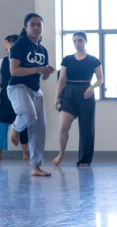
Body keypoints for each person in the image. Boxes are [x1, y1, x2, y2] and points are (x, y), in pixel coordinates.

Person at [7, 13, 55, 177]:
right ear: (25, 28)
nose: (36, 28)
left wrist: (47, 72)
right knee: (29, 114)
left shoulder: (42, 50)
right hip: (18, 87)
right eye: (32, 25)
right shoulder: (19, 45)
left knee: (39, 129)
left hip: (36, 90)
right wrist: (36, 69)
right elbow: (14, 71)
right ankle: (15, 127)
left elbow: (42, 76)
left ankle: (36, 167)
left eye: (38, 25)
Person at [53, 32, 103, 167]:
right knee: (63, 128)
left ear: (85, 41)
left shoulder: (94, 60)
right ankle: (61, 153)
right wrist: (57, 98)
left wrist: (91, 87)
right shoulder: (67, 59)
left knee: (86, 129)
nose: (77, 43)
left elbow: (100, 79)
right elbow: (61, 79)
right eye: (74, 41)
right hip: (69, 93)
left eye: (80, 40)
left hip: (86, 93)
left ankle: (85, 159)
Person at [0, 34, 23, 161]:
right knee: (1, 124)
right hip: (5, 95)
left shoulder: (23, 60)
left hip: (20, 94)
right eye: (11, 43)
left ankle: (26, 152)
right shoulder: (2, 61)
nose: (12, 46)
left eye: (15, 43)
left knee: (23, 123)